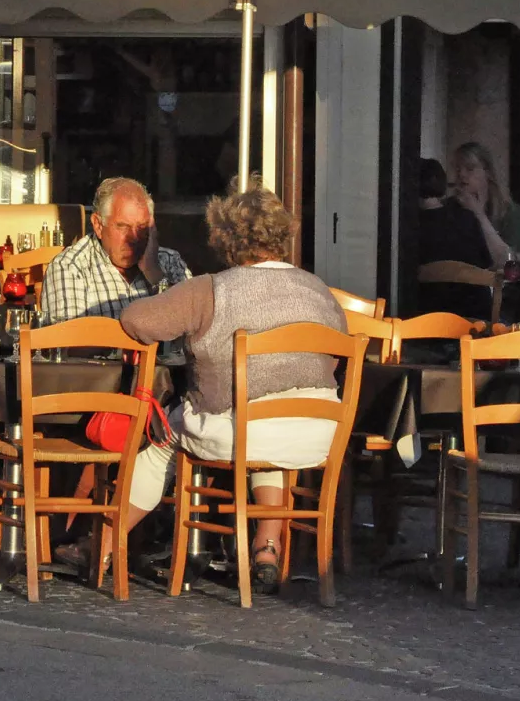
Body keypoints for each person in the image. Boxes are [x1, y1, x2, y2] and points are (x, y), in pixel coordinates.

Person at [117, 184, 348, 594]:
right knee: (269, 430)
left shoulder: (212, 289)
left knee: (162, 440)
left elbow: (137, 321)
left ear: (224, 238)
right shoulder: (319, 290)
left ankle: (106, 542)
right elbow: (332, 361)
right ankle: (267, 546)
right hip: (317, 435)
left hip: (240, 432)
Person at [39, 177, 191, 326]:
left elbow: (194, 326)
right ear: (98, 225)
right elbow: (69, 343)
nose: (134, 237)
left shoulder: (169, 261)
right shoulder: (69, 268)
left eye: (142, 227)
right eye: (123, 226)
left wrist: (155, 274)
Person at [415, 158, 494, 318]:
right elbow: (485, 264)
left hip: (428, 320)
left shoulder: (407, 227)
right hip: (476, 318)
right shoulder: (467, 218)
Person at [450, 141, 520, 265]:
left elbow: (513, 263)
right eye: (458, 169)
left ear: (488, 172)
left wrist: (479, 215)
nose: (461, 175)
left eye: (470, 169)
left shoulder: (512, 213)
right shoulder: (449, 209)